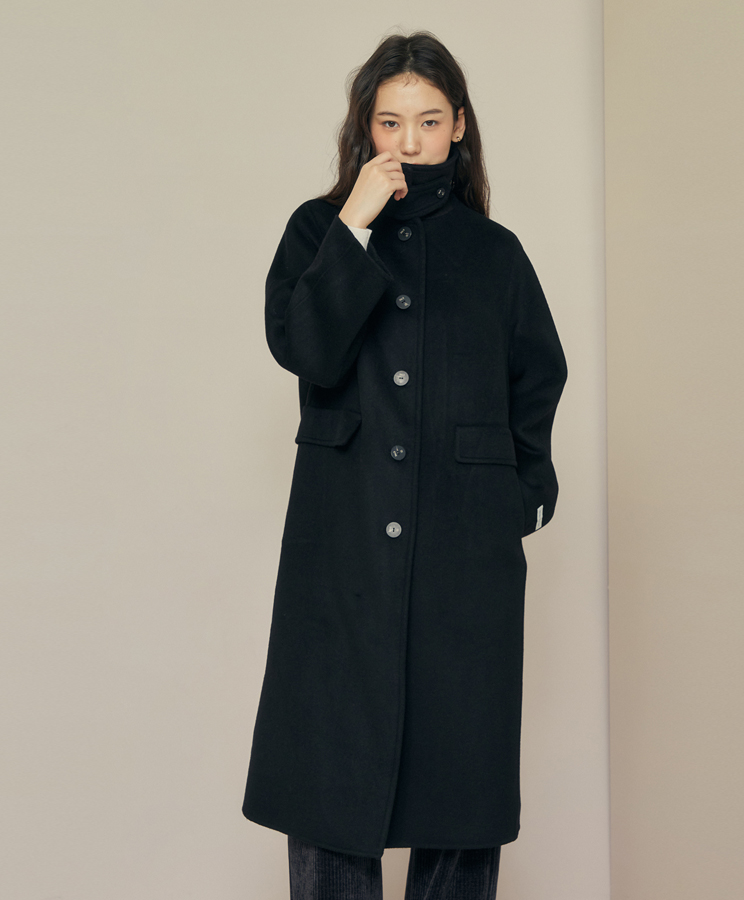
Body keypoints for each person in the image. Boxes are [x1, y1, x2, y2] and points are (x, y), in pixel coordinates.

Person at [243, 31, 568, 900]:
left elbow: (538, 376)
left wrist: (519, 496)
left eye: (428, 121)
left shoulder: (494, 253)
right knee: (329, 786)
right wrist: (353, 225)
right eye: (390, 123)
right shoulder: (318, 230)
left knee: (459, 793)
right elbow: (307, 349)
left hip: (465, 557)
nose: (409, 142)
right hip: (341, 547)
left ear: (458, 125)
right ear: (366, 128)